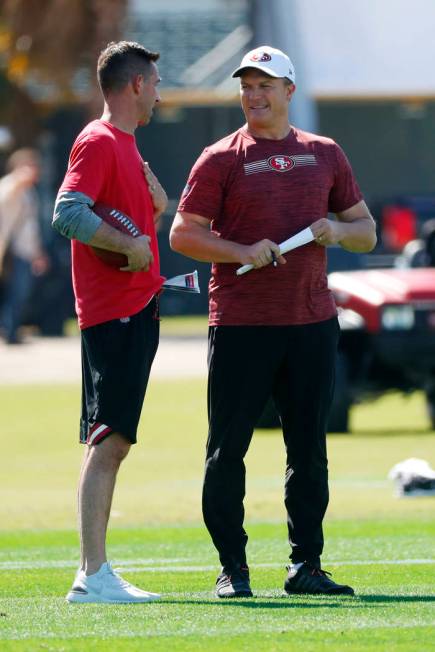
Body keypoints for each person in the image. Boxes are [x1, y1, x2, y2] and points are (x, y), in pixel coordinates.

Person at [170, 45, 377, 598]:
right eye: (247, 86)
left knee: (308, 449)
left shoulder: (325, 153)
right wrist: (241, 246)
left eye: (265, 85)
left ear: (289, 91)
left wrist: (335, 230)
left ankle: (305, 566)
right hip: (241, 325)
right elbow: (183, 234)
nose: (254, 95)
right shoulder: (219, 158)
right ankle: (233, 571)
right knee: (226, 449)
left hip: (311, 322)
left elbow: (366, 231)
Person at [52, 41, 168, 604]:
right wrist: (129, 242)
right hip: (114, 313)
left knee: (111, 439)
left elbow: (122, 220)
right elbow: (67, 212)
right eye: (156, 83)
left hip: (133, 310)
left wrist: (155, 208)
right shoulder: (98, 140)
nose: (160, 94)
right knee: (109, 440)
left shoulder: (125, 144)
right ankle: (92, 575)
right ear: (136, 85)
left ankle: (96, 572)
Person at [0, 148, 48, 344]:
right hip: (10, 251)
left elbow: (31, 228)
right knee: (15, 291)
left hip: (24, 251)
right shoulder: (10, 185)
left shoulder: (29, 192)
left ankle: (10, 329)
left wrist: (38, 253)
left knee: (20, 292)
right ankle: (8, 330)